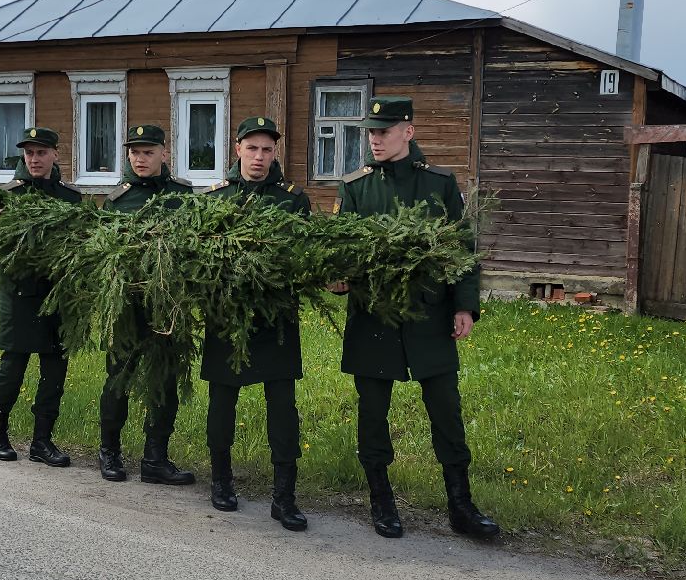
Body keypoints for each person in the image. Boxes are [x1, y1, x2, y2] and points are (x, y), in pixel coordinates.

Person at [336, 96, 498, 539]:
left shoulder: (441, 184)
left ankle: (461, 505)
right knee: (373, 412)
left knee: (446, 409)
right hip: (374, 317)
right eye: (371, 132)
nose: (375, 139)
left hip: (431, 317)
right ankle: (381, 500)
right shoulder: (355, 188)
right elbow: (342, 251)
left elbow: (463, 249)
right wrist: (338, 277)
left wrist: (464, 305)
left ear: (408, 131)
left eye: (383, 131)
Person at [201, 116, 309, 531]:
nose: (259, 157)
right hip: (226, 317)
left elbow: (303, 254)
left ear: (274, 153)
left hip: (276, 317)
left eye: (267, 150)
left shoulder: (292, 200)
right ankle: (221, 481)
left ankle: (284, 496)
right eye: (252, 148)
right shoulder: (214, 200)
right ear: (237, 149)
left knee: (282, 405)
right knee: (223, 401)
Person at [97, 123, 195, 486]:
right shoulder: (117, 201)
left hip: (167, 307)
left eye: (148, 152)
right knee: (118, 378)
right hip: (126, 307)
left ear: (164, 154)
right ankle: (109, 452)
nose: (141, 158)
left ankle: (155, 458)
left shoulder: (182, 197)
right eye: (135, 152)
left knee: (165, 379)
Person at [0, 127, 82, 469]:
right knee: (13, 365)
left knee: (54, 370)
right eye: (29, 153)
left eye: (41, 152)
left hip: (58, 297)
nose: (34, 159)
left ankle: (42, 441)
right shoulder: (8, 198)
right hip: (20, 295)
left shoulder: (70, 198)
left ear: (55, 154)